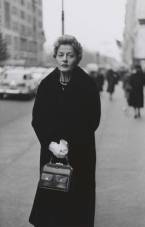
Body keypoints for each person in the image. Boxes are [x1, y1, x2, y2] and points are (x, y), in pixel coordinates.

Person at [29, 34, 101, 227]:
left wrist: (69, 142)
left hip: (81, 154)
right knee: (52, 201)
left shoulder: (87, 85)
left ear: (77, 57)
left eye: (70, 54)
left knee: (78, 205)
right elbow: (38, 120)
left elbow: (93, 121)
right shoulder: (46, 85)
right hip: (51, 153)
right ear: (55, 56)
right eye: (61, 54)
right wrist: (51, 143)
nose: (65, 59)